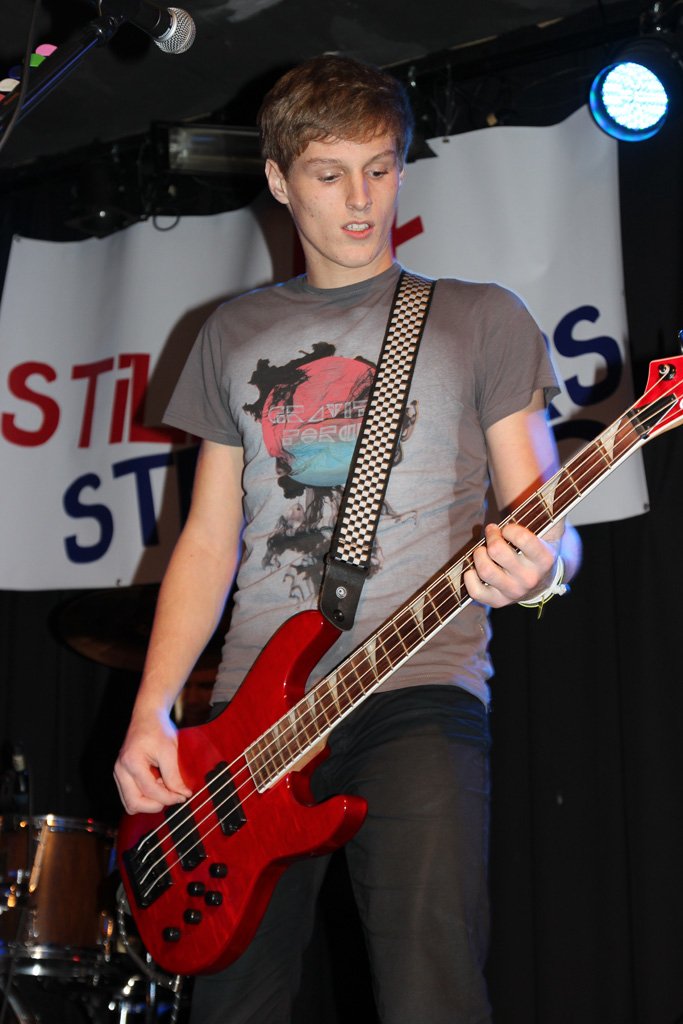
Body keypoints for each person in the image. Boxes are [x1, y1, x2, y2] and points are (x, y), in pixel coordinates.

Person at [114, 54, 581, 1024]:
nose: (361, 199)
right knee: (233, 1005)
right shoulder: (230, 332)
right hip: (252, 718)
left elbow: (546, 519)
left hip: (416, 689)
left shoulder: (477, 317)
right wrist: (153, 710)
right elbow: (206, 541)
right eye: (329, 174)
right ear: (279, 180)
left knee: (429, 990)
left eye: (379, 168)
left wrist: (540, 573)